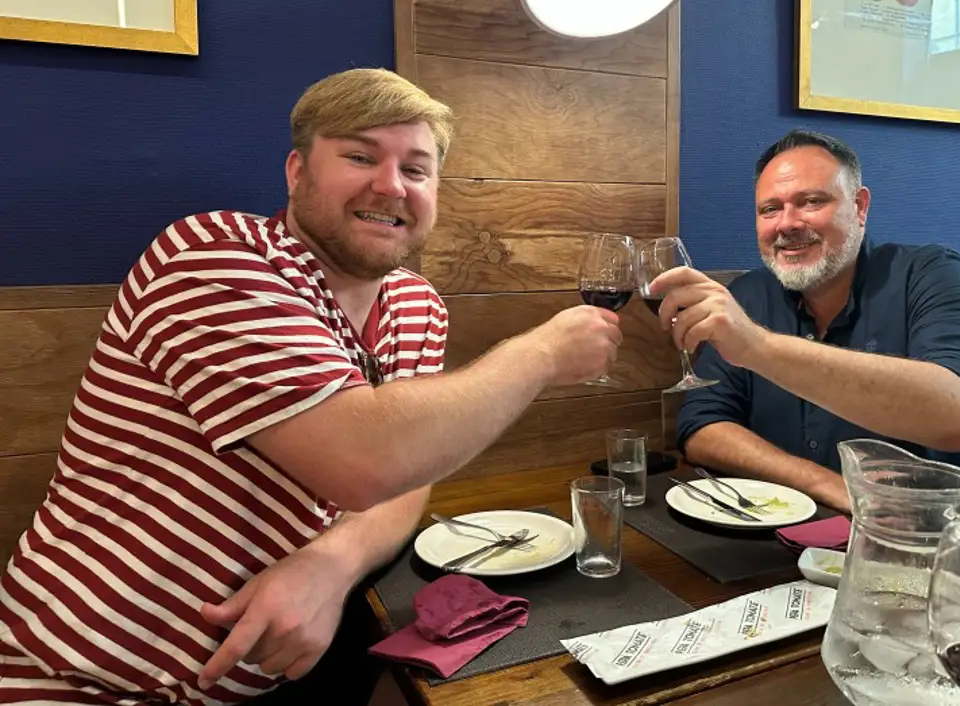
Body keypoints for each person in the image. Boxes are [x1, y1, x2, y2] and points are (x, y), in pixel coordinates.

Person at [0, 68, 622, 705]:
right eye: (360, 156)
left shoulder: (417, 305)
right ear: (298, 171)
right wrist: (543, 353)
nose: (391, 185)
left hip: (263, 682)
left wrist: (332, 563)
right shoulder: (214, 256)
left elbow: (410, 473)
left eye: (416, 169)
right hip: (70, 674)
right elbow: (368, 461)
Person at [651, 129, 960, 528]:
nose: (787, 223)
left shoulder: (932, 274)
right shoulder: (749, 296)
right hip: (827, 543)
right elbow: (701, 427)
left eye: (811, 201)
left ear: (859, 207)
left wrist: (757, 347)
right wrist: (825, 484)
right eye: (770, 209)